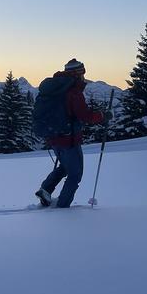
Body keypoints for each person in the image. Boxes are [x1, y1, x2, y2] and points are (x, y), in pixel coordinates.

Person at [34, 59, 109, 208]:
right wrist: (103, 116)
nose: (83, 76)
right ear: (77, 73)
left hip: (54, 137)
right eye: (82, 72)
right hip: (69, 139)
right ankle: (63, 207)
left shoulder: (55, 88)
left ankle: (45, 189)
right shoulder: (73, 91)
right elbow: (84, 116)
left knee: (66, 166)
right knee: (75, 175)